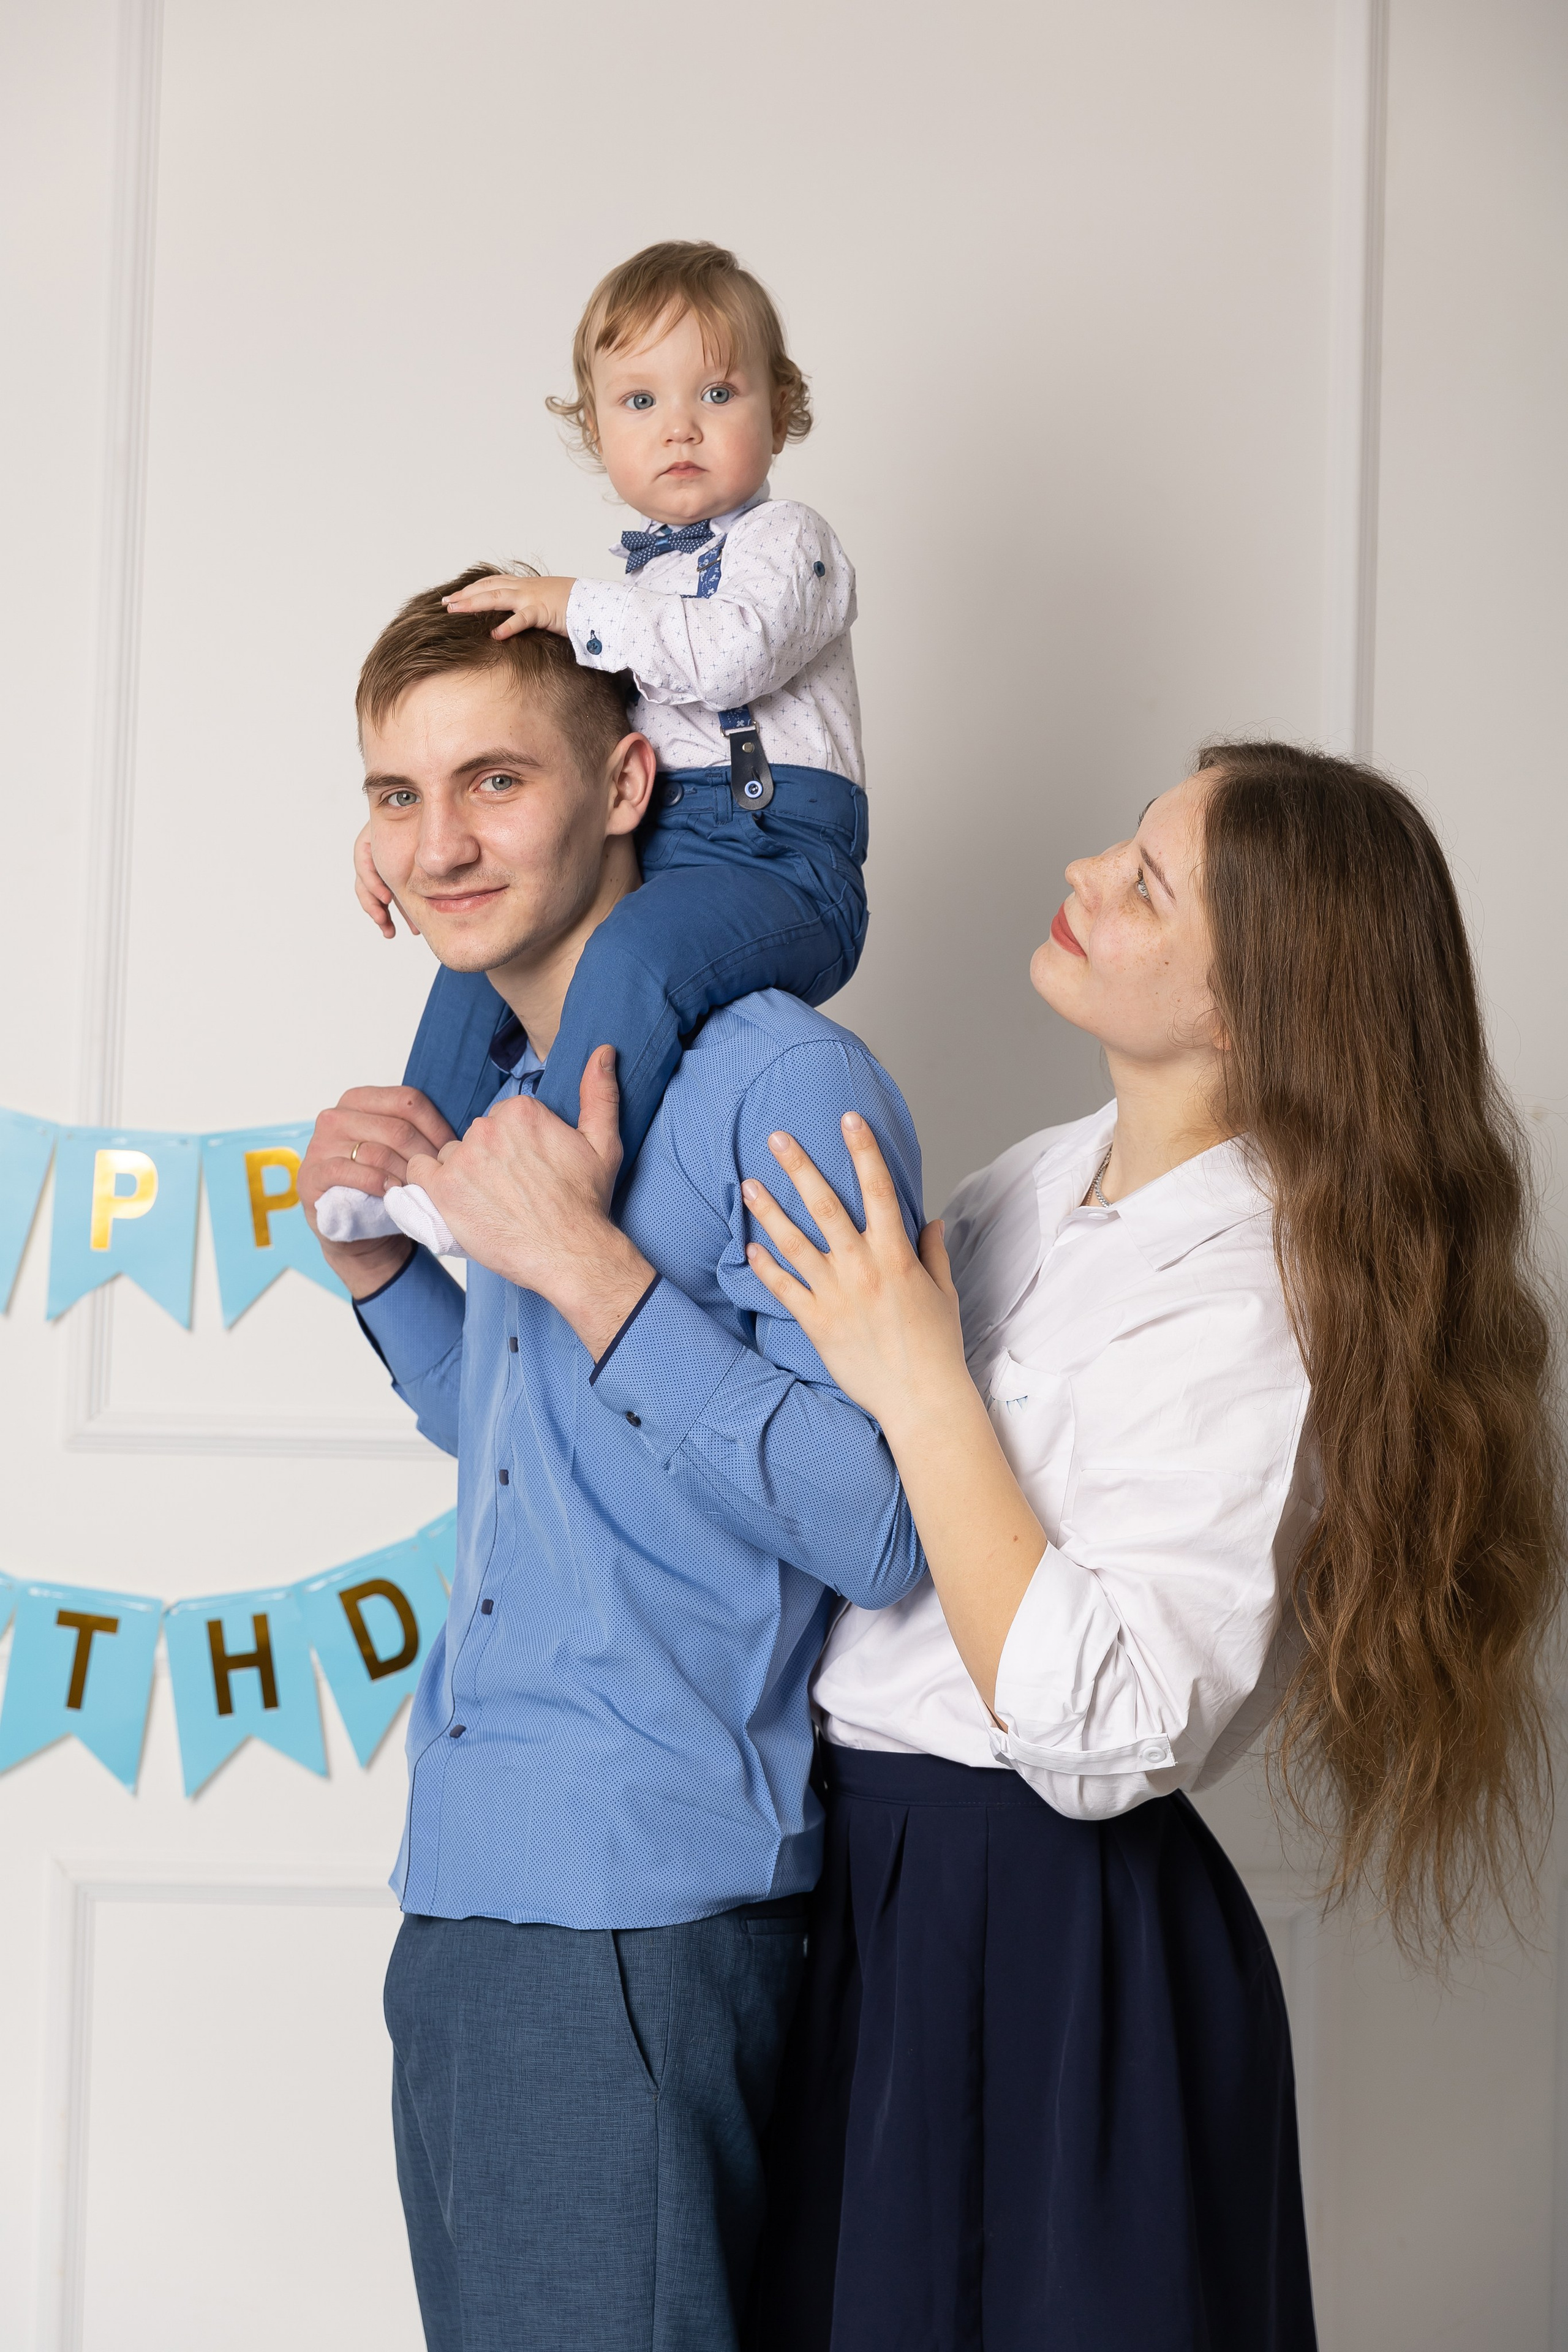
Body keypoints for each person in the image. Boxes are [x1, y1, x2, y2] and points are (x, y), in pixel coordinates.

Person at [727, 742, 1564, 2350]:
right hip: (870, 1886)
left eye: (1145, 883)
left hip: (1035, 1940)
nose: (1082, 878)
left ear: (1253, 1005)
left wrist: (916, 1378)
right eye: (1121, 845)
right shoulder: (1026, 1190)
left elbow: (1104, 1731)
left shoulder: (1267, 1303)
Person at [297, 578, 926, 2352]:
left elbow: (887, 1521)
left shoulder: (784, 1089)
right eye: (398, 796)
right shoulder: (503, 1084)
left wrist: (591, 1270)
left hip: (642, 1915)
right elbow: (538, 1451)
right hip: (472, 1891)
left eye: (495, 782)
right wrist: (384, 1276)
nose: (442, 844)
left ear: (631, 784)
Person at [337, 238, 867, 1216]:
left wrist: (576, 603)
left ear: (779, 405)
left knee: (633, 956)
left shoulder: (790, 544)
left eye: (717, 394)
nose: (680, 430)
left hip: (780, 864)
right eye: (639, 402)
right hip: (671, 848)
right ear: (594, 428)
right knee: (485, 966)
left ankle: (550, 1183)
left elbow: (731, 656)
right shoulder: (637, 589)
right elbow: (557, 749)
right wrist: (399, 832)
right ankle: (422, 1182)